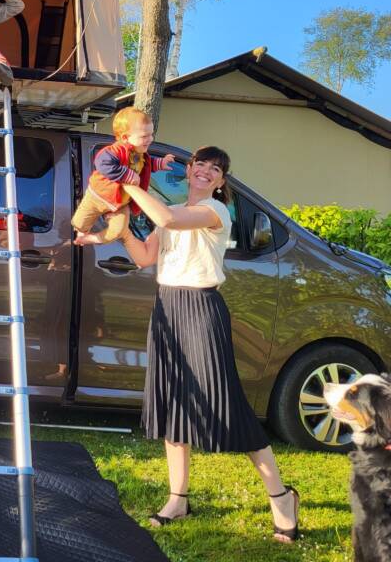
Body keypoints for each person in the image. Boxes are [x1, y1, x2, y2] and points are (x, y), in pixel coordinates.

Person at [117, 146, 299, 543]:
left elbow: (163, 215)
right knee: (173, 405)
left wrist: (127, 180)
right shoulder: (176, 211)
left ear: (220, 181)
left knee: (228, 406)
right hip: (168, 306)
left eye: (214, 169)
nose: (205, 171)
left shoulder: (215, 212)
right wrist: (122, 230)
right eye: (200, 163)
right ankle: (177, 499)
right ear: (191, 170)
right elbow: (147, 258)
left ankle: (282, 497)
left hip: (201, 309)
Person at [71, 107, 174, 247]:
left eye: (151, 134)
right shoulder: (114, 151)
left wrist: (161, 163)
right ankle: (81, 232)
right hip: (98, 196)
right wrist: (127, 174)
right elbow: (102, 163)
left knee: (118, 231)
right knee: (79, 223)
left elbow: (146, 165)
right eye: (144, 136)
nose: (150, 139)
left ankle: (91, 239)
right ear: (125, 138)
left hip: (120, 202)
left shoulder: (140, 154)